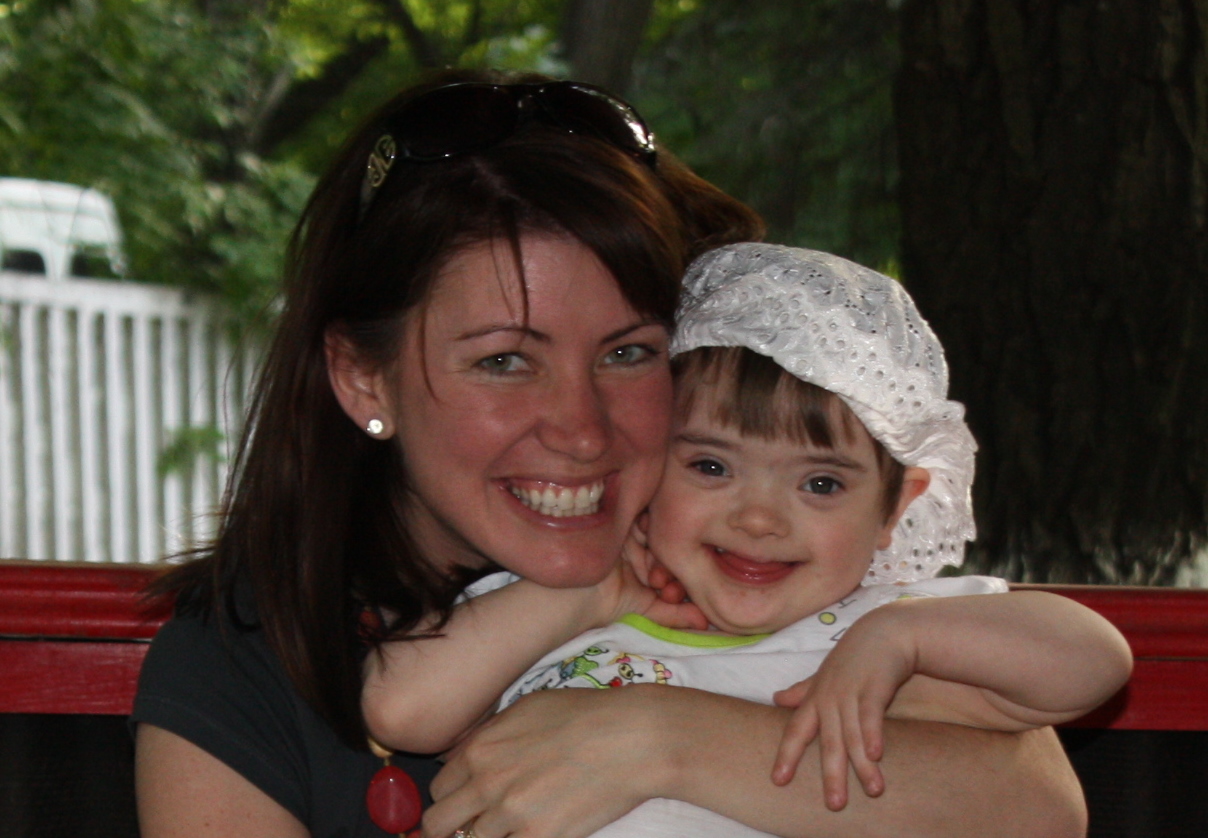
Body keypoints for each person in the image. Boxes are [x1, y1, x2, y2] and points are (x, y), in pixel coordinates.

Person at [132, 68, 1089, 838]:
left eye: (628, 353)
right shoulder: (242, 666)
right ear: (363, 379)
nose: (581, 429)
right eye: (505, 360)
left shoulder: (771, 582)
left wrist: (659, 741)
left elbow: (1039, 805)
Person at [362, 243, 1132, 836]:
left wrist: (900, 640)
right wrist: (590, 598)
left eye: (820, 484)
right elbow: (400, 709)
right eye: (710, 466)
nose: (759, 519)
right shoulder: (568, 599)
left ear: (897, 507)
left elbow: (1092, 662)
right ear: (649, 461)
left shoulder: (874, 631)